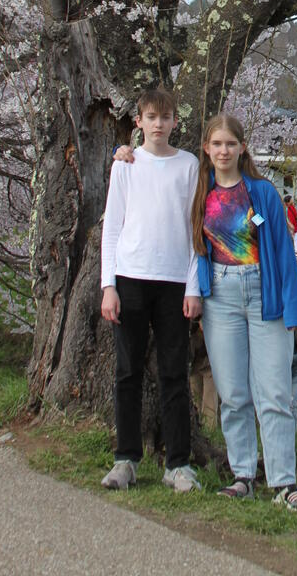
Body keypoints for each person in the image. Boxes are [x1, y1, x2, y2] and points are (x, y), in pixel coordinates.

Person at [194, 113, 297, 515]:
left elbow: (282, 252)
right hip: (220, 298)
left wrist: (292, 309)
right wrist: (121, 152)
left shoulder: (261, 193)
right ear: (208, 149)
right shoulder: (201, 192)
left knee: (275, 394)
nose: (224, 151)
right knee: (232, 394)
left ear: (242, 147)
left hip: (263, 294)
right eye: (217, 144)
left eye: (231, 143)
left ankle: (284, 483)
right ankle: (242, 475)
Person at [100, 87, 202, 493]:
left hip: (175, 282)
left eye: (166, 117)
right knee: (127, 372)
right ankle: (125, 459)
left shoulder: (189, 165)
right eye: (151, 117)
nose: (159, 125)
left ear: (176, 121)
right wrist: (109, 286)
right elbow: (112, 229)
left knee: (174, 373)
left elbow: (196, 230)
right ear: (138, 122)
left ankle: (178, 464)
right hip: (131, 278)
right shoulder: (125, 164)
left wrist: (193, 287)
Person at [284, 193, 297, 258]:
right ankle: (295, 251)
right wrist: (291, 227)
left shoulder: (290, 207)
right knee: (294, 238)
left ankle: (294, 251)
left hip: (293, 225)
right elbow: (289, 218)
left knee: (294, 238)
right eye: (291, 199)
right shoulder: (288, 208)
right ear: (289, 201)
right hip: (291, 226)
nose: (292, 200)